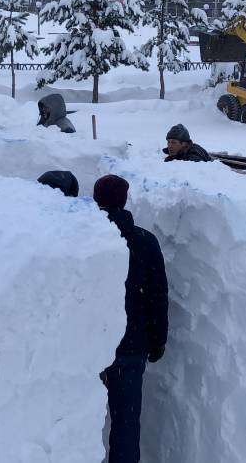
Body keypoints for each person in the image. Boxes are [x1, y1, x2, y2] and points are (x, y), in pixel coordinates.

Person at [93, 175, 169, 463]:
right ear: (124, 201)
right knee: (126, 422)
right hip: (131, 345)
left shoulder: (86, 237)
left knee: (81, 412)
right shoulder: (144, 241)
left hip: (92, 346)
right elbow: (157, 295)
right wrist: (158, 339)